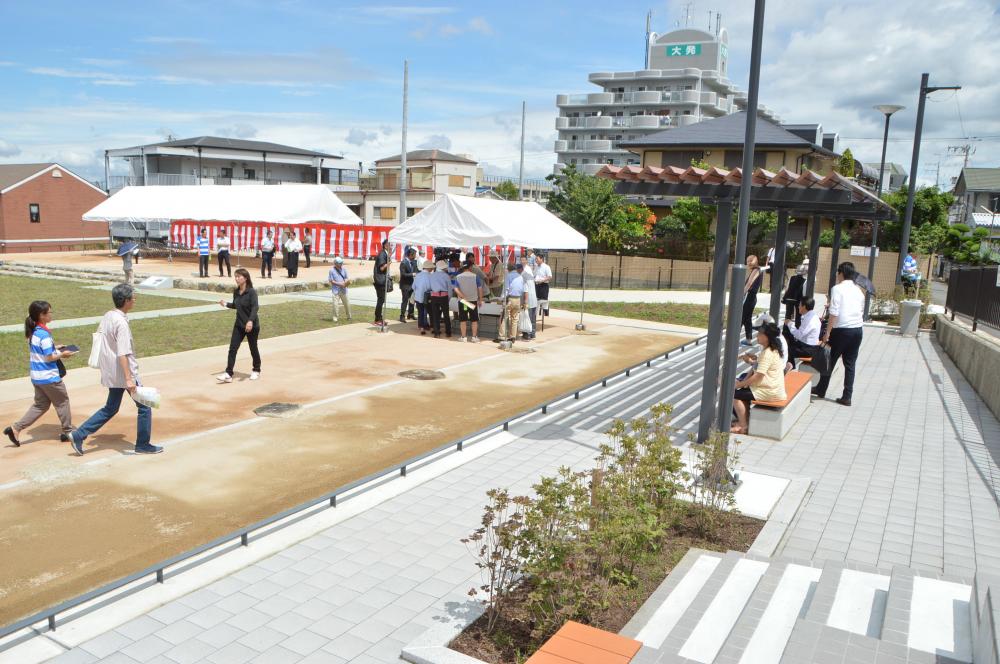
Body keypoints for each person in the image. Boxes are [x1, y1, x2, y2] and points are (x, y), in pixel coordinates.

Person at [71, 284, 162, 455]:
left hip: (112, 372)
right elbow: (123, 353)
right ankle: (143, 444)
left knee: (111, 408)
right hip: (123, 372)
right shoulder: (121, 323)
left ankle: (79, 434)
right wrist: (129, 379)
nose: (134, 300)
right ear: (126, 301)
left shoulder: (108, 316)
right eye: (133, 298)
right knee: (145, 406)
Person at [5, 301, 76, 447]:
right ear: (42, 315)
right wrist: (64, 354)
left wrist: (56, 347)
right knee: (62, 402)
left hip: (37, 377)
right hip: (49, 377)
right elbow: (49, 357)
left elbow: (41, 350)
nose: (51, 314)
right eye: (49, 312)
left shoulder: (33, 332)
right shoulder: (44, 334)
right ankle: (68, 432)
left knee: (40, 405)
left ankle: (15, 428)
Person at [813, 262, 866, 406]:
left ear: (842, 273)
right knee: (850, 364)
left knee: (829, 359)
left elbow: (834, 313)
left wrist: (827, 333)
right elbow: (860, 309)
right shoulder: (858, 290)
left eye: (838, 272)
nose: (837, 275)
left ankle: (821, 389)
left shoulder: (837, 289)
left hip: (841, 330)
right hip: (857, 330)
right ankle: (847, 396)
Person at [732, 322, 786, 434]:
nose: (757, 336)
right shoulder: (771, 349)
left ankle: (743, 426)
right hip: (772, 388)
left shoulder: (767, 353)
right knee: (741, 392)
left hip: (770, 391)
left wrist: (740, 384)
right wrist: (755, 359)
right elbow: (760, 367)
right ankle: (744, 421)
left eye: (759, 334)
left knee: (735, 395)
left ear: (767, 337)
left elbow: (758, 376)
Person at [215, 268, 261, 383]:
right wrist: (225, 304)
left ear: (245, 278)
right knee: (232, 349)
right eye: (235, 276)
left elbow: (255, 307)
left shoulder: (251, 292)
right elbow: (236, 305)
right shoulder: (236, 292)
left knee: (253, 348)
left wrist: (250, 321)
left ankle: (256, 370)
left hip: (252, 326)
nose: (236, 278)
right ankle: (228, 374)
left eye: (239, 276)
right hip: (239, 325)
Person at [782, 296, 821, 367]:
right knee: (788, 339)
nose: (798, 307)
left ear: (804, 307)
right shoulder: (813, 316)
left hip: (808, 349)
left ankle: (789, 368)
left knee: (786, 350)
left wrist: (789, 323)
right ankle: (790, 366)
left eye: (799, 305)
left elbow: (799, 335)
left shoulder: (809, 319)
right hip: (808, 345)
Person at [454, 260, 484, 342]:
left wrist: (463, 296)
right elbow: (480, 289)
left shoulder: (458, 276)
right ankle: (474, 337)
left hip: (463, 301)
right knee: (474, 320)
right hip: (473, 300)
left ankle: (463, 337)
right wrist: (480, 300)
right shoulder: (475, 276)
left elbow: (456, 289)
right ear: (470, 267)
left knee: (463, 319)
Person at [740, 255, 763, 345]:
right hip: (752, 297)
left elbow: (749, 283)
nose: (748, 262)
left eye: (751, 260)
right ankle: (748, 339)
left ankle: (733, 337)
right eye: (747, 260)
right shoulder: (757, 270)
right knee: (747, 318)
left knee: (741, 317)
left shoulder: (756, 269)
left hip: (749, 296)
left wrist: (742, 294)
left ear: (756, 260)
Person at [501, 263, 526, 344]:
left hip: (510, 298)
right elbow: (522, 289)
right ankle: (513, 337)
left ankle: (502, 336)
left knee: (505, 317)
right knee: (515, 319)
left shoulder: (508, 276)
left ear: (508, 269)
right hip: (518, 299)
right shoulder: (520, 276)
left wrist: (502, 299)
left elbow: (506, 289)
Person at [428, 260, 453, 338]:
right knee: (446, 315)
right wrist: (449, 298)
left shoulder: (431, 275)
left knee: (435, 315)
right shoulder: (446, 276)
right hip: (444, 296)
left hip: (434, 296)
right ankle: (448, 332)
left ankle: (437, 332)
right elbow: (450, 289)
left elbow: (429, 287)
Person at [412, 260, 434, 334]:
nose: (432, 269)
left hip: (418, 296)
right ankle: (431, 326)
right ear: (429, 268)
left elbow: (413, 286)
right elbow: (431, 287)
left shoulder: (418, 275)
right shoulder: (431, 276)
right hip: (427, 297)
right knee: (430, 312)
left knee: (420, 312)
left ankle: (422, 327)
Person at [328, 257, 351, 323]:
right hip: (336, 290)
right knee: (335, 305)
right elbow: (331, 281)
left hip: (344, 290)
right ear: (335, 263)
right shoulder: (331, 270)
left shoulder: (344, 269)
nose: (341, 264)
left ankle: (349, 316)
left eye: (341, 263)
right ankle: (335, 318)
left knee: (347, 304)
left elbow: (346, 277)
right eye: (340, 263)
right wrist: (340, 284)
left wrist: (346, 282)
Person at [373, 239, 390, 325]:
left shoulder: (385, 253)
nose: (391, 246)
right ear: (385, 245)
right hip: (380, 280)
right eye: (389, 245)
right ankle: (377, 319)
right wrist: (388, 263)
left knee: (382, 300)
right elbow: (381, 268)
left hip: (382, 279)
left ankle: (379, 318)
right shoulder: (382, 254)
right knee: (381, 299)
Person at [398, 248, 418, 322]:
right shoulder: (403, 262)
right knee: (405, 301)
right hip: (405, 285)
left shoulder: (413, 262)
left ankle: (411, 314)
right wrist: (412, 274)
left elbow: (416, 270)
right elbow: (403, 274)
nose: (415, 256)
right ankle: (402, 316)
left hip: (412, 284)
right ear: (410, 255)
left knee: (412, 300)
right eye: (414, 255)